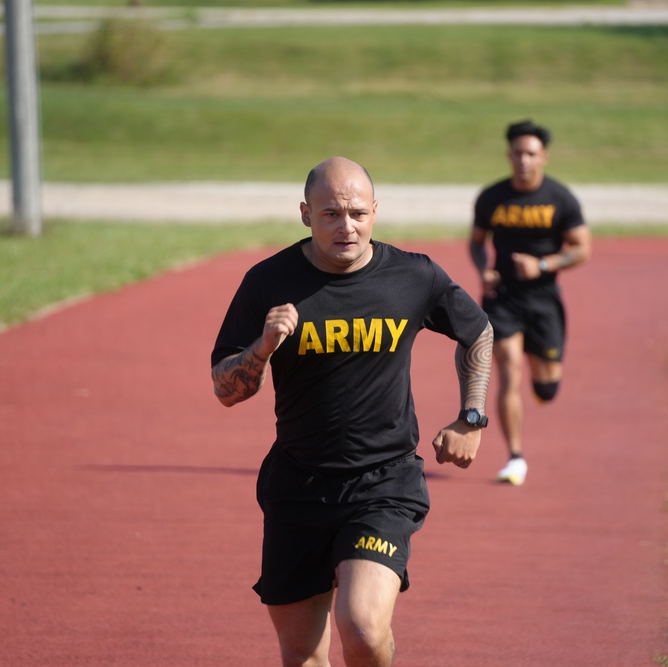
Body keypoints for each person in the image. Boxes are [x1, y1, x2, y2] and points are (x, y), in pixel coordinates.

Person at [211, 156, 494, 667]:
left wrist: (470, 418)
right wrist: (263, 347)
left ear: (375, 212)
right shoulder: (268, 282)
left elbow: (477, 331)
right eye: (331, 215)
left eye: (358, 214)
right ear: (305, 214)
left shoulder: (413, 275)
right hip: (297, 485)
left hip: (381, 483)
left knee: (362, 628)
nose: (347, 227)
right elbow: (226, 390)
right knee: (302, 655)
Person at [469, 120, 592, 486]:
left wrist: (542, 264)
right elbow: (476, 241)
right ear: (509, 155)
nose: (524, 160)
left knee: (546, 387)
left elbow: (582, 249)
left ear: (544, 157)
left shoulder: (560, 199)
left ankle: (545, 386)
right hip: (502, 297)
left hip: (543, 300)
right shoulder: (492, 197)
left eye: (531, 154)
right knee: (509, 371)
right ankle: (515, 457)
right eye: (518, 153)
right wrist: (484, 269)